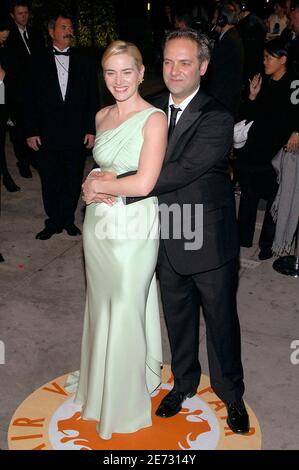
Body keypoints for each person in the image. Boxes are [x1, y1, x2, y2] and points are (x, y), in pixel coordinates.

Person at [89, 29, 250, 435]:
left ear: (203, 67)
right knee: (177, 318)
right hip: (158, 232)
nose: (175, 70)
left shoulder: (218, 116)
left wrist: (111, 183)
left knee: (220, 321)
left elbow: (177, 171)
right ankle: (184, 384)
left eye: (185, 62)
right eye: (168, 62)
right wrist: (100, 174)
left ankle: (232, 395)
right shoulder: (152, 108)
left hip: (205, 235)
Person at [74, 40, 167, 440]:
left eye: (126, 71)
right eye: (111, 72)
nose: (118, 81)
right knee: (102, 304)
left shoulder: (154, 119)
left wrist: (101, 183)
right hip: (98, 226)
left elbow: (146, 181)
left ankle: (125, 404)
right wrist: (87, 188)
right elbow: (99, 168)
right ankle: (99, 388)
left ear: (142, 73)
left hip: (135, 225)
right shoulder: (101, 115)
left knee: (128, 304)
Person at [25, 13, 99, 240]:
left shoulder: (84, 59)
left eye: (70, 27)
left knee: (73, 177)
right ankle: (53, 221)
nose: (69, 31)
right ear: (51, 32)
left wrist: (91, 128)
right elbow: (29, 98)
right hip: (46, 133)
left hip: (76, 133)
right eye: (63, 27)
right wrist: (30, 130)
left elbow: (92, 97)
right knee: (49, 178)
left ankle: (67, 219)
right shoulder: (36, 60)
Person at [237, 38, 299, 260]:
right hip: (255, 147)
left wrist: (297, 131)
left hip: (276, 151)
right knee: (248, 192)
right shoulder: (263, 80)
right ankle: (242, 237)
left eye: (268, 57)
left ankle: (267, 244)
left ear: (283, 59)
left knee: (274, 197)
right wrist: (252, 96)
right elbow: (248, 116)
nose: (264, 62)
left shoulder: (294, 83)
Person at [6, 0, 45, 178]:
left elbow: (41, 57)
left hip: (36, 89)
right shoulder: (7, 35)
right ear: (12, 15)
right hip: (16, 91)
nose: (24, 16)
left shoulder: (36, 32)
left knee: (35, 125)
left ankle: (35, 159)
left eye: (26, 13)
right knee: (18, 130)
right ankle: (23, 162)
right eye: (20, 13)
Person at [203, 3, 244, 118]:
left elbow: (213, 64)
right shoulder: (229, 36)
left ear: (222, 20)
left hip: (224, 98)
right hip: (224, 95)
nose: (212, 21)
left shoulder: (229, 40)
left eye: (215, 18)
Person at [0, 18, 20, 192]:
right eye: (2, 30)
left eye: (7, 30)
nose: (5, 33)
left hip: (4, 100)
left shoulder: (6, 48)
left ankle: (6, 177)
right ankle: (6, 177)